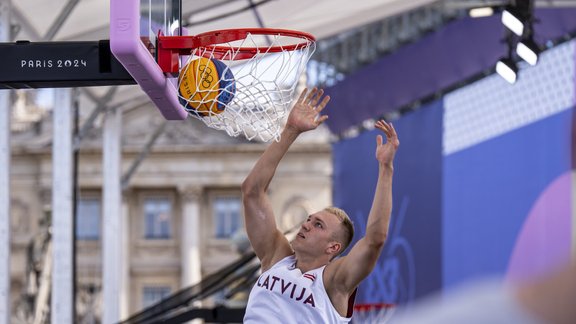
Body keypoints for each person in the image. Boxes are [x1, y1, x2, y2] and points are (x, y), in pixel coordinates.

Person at [241, 87, 400, 323]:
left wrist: (385, 170)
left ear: (333, 248)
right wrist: (291, 131)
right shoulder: (277, 257)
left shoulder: (334, 281)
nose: (306, 225)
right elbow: (252, 192)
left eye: (318, 225)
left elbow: (375, 239)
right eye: (309, 220)